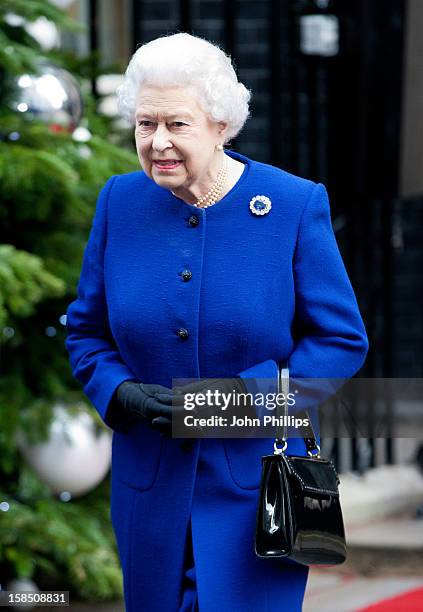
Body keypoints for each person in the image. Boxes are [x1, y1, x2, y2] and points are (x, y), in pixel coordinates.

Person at [65, 32, 369, 612]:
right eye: (144, 124)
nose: (157, 143)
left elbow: (340, 340)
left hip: (256, 490)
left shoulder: (291, 205)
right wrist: (120, 392)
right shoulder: (119, 202)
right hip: (149, 489)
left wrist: (238, 401)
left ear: (222, 124)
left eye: (176, 125)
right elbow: (87, 330)